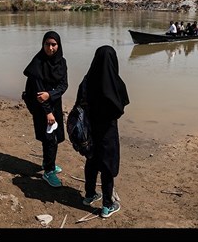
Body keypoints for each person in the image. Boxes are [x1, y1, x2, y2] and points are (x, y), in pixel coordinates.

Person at [75, 45, 129, 218]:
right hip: (107, 133)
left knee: (91, 161)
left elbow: (79, 103)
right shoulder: (114, 83)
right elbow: (121, 108)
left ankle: (89, 195)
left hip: (89, 131)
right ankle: (107, 205)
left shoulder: (86, 80)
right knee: (107, 166)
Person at [23, 31, 68, 188]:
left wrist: (51, 94)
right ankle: (49, 172)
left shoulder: (61, 62)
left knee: (54, 136)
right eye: (47, 44)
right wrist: (48, 112)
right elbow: (38, 93)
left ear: (58, 45)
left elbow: (64, 85)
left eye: (53, 44)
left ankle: (47, 163)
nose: (50, 48)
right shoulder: (37, 64)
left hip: (54, 103)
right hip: (41, 106)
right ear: (43, 45)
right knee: (49, 138)